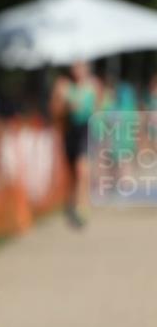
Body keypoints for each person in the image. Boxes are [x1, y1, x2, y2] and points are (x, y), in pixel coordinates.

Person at [50, 60, 101, 228]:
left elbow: (100, 110)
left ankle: (82, 207)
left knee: (82, 170)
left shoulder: (94, 85)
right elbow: (54, 111)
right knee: (72, 172)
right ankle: (71, 204)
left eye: (82, 66)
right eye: (76, 66)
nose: (79, 70)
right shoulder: (63, 86)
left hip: (86, 129)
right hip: (69, 131)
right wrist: (66, 105)